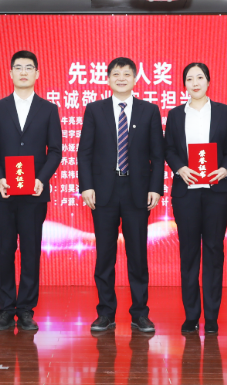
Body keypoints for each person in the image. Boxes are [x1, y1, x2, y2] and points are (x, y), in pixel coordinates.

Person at [78, 57, 164, 333]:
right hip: (103, 191)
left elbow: (157, 155)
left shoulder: (149, 110)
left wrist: (155, 188)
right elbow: (84, 152)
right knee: (105, 255)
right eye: (116, 74)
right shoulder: (95, 110)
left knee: (137, 255)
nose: (122, 78)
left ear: (136, 78)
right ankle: (105, 313)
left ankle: (140, 313)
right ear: (107, 79)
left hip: (137, 191)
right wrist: (86, 186)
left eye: (127, 74)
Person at [0, 50, 62, 331]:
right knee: (4, 250)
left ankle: (26, 309)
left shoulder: (49, 109)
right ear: (10, 73)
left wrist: (41, 178)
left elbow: (55, 151)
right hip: (4, 192)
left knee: (30, 250)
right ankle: (6, 309)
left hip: (34, 193)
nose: (24, 72)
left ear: (37, 73)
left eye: (29, 67)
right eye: (18, 67)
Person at [164, 63, 227, 334]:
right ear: (184, 84)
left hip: (216, 192)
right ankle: (192, 315)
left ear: (208, 81)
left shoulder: (222, 111)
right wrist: (179, 168)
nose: (195, 83)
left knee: (214, 252)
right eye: (189, 78)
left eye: (200, 77)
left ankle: (212, 316)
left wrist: (225, 169)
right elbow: (168, 149)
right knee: (189, 253)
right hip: (186, 193)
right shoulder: (175, 114)